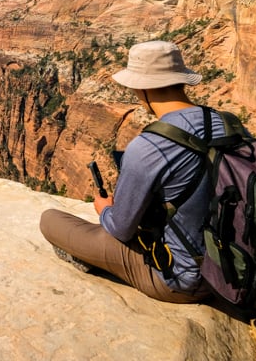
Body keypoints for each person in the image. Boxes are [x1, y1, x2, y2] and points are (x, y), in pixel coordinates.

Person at [39, 40, 225, 303]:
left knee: (50, 220)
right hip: (232, 268)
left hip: (185, 281)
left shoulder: (149, 146)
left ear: (142, 87)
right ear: (182, 81)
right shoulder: (226, 123)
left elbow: (121, 229)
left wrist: (104, 209)